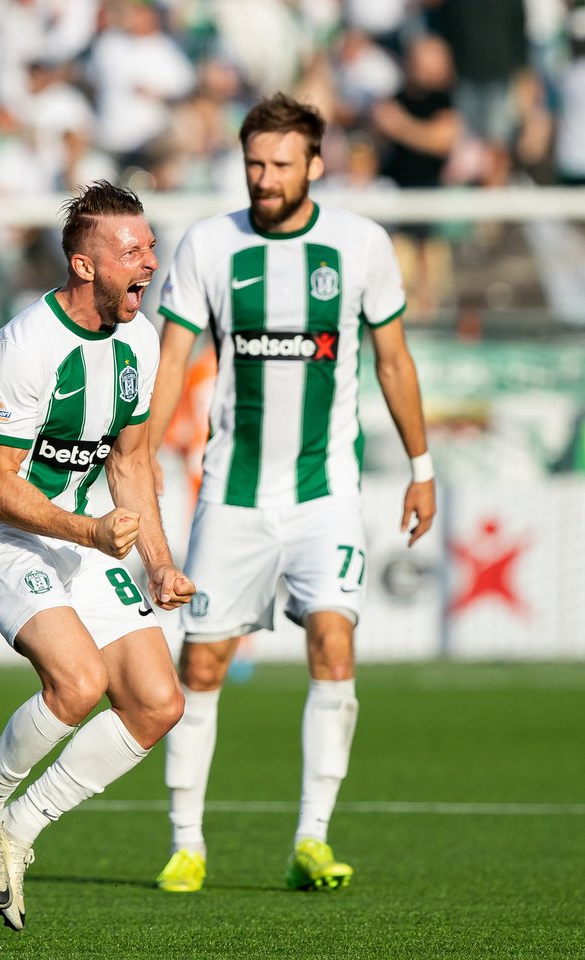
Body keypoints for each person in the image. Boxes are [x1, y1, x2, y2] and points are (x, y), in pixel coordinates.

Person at [147, 93, 436, 894]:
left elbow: (393, 361)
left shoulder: (361, 244)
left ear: (315, 164)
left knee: (334, 644)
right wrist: (139, 455)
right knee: (201, 662)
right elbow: (171, 363)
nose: (264, 178)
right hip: (232, 494)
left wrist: (421, 467)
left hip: (325, 492)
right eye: (254, 163)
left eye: (280, 164)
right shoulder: (209, 244)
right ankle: (186, 842)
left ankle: (312, 837)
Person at [0, 181, 193, 930]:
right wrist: (90, 533)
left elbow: (131, 461)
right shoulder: (26, 347)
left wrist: (159, 560)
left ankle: (20, 830)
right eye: (132, 250)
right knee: (80, 682)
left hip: (82, 533)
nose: (149, 262)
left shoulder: (140, 339)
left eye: (151, 247)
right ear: (85, 266)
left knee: (158, 703)